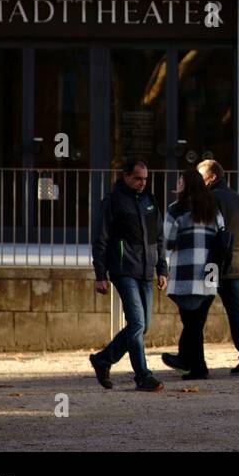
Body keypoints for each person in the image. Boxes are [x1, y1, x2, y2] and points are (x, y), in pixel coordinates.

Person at [89, 157, 166, 393]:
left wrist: (162, 269)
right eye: (137, 179)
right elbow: (100, 240)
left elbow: (159, 238)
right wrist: (100, 274)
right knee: (137, 322)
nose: (142, 183)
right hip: (123, 270)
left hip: (146, 271)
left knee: (143, 326)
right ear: (126, 176)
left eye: (145, 179)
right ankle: (142, 376)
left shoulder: (150, 202)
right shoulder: (112, 202)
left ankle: (103, 359)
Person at [163, 170, 224, 380]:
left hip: (186, 274)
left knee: (191, 323)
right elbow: (222, 235)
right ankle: (192, 362)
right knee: (196, 323)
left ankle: (194, 365)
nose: (177, 184)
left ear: (186, 185)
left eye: (180, 181)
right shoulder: (213, 209)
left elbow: (168, 241)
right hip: (210, 272)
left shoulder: (176, 210)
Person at [198, 160, 239, 374]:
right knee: (235, 311)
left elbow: (207, 231)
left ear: (212, 177)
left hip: (216, 264)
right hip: (235, 262)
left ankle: (190, 358)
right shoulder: (235, 197)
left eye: (200, 177)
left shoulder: (212, 198)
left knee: (197, 311)